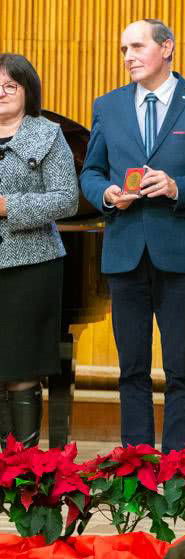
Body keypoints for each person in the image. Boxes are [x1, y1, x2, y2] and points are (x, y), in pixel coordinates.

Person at [80, 19, 185, 453]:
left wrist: (177, 187)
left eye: (136, 46)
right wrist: (108, 194)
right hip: (125, 250)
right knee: (131, 368)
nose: (128, 55)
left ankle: (178, 466)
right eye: (123, 48)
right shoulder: (107, 107)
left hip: (181, 253)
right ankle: (137, 462)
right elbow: (90, 173)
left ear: (166, 47)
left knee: (180, 368)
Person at [0, 53, 78, 447]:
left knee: (20, 367)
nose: (1, 92)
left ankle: (24, 471)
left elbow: (67, 200)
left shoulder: (48, 134)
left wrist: (8, 207)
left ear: (27, 90)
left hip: (31, 266)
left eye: (9, 85)